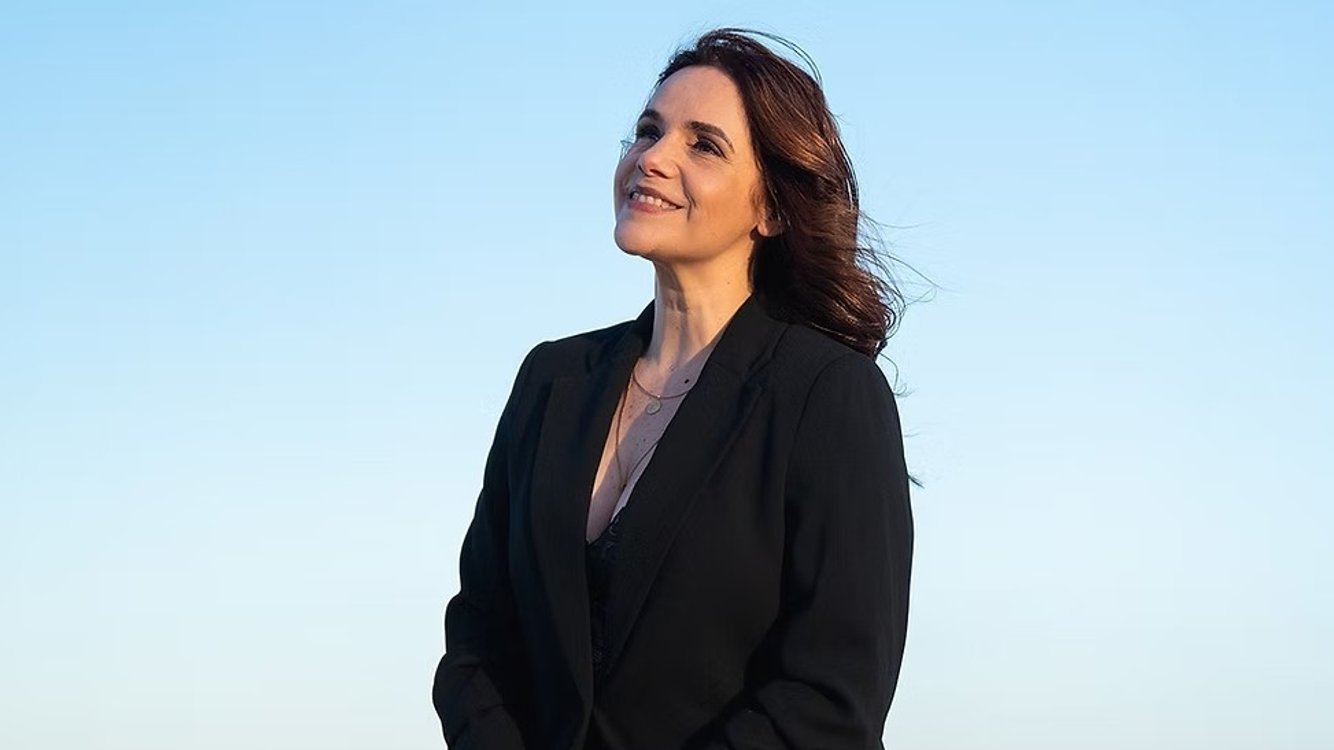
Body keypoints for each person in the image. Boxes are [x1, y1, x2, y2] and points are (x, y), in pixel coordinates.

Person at [432, 28, 914, 750]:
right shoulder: (550, 380)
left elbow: (829, 697)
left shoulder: (828, 395)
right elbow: (477, 639)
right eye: (647, 131)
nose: (652, 158)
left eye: (704, 145)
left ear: (771, 208)